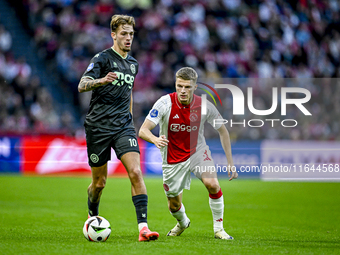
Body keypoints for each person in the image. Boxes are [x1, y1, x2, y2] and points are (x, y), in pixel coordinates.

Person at [78, 14, 159, 242]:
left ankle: (143, 228)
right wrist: (101, 81)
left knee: (135, 171)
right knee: (99, 183)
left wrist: (130, 119)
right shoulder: (102, 59)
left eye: (131, 34)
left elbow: (129, 92)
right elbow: (82, 85)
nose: (128, 38)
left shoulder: (133, 64)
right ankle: (92, 216)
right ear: (113, 34)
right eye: (124, 33)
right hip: (98, 127)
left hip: (124, 126)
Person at [139, 67, 238, 239]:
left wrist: (230, 162)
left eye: (187, 87)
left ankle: (218, 229)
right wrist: (155, 139)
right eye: (179, 86)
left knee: (213, 184)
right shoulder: (164, 103)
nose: (183, 91)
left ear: (195, 87)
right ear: (175, 84)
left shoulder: (205, 105)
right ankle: (183, 223)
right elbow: (143, 130)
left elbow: (223, 131)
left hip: (197, 152)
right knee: (174, 205)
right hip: (172, 157)